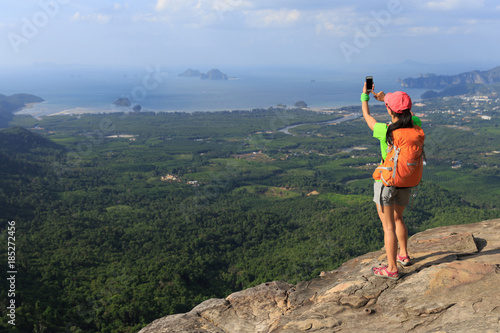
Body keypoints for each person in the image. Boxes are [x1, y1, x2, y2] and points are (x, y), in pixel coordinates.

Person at [360, 82, 422, 280]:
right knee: (398, 219)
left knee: (388, 227)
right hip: (406, 181)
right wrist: (387, 99)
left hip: (387, 182)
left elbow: (367, 117)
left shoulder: (384, 130)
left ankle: (392, 269)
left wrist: (366, 97)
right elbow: (409, 115)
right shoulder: (416, 125)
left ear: (389, 110)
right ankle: (403, 255)